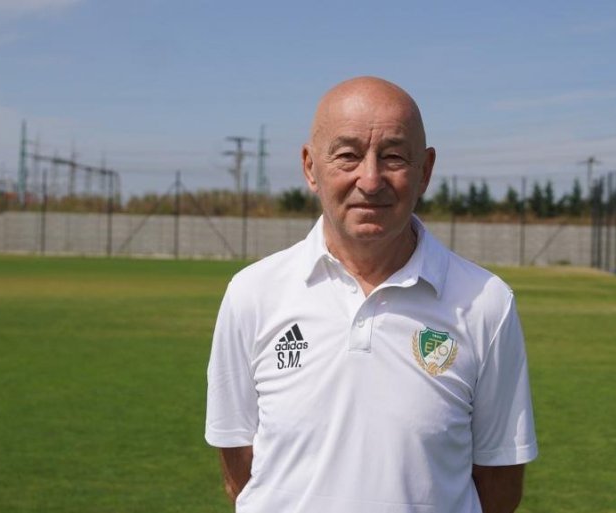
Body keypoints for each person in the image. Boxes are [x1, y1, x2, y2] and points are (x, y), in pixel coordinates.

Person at [206, 76, 537, 513]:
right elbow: (239, 467)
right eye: (347, 155)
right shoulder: (252, 293)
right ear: (310, 167)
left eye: (394, 156)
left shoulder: (487, 303)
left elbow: (499, 481)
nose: (371, 178)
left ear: (425, 171)